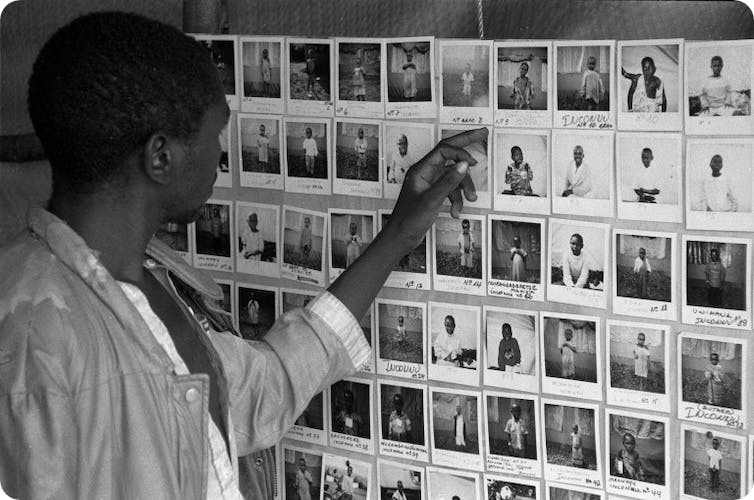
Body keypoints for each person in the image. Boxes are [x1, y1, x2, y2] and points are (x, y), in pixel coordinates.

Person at [0, 11, 486, 498]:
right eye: (215, 135)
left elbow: (262, 390)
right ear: (160, 157)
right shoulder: (31, 339)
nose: (221, 155)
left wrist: (399, 233)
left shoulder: (151, 278)